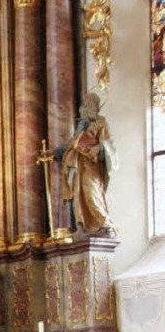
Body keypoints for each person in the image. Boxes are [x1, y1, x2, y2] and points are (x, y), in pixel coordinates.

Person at [59, 92, 117, 236]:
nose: (84, 107)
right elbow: (71, 144)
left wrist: (99, 148)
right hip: (78, 166)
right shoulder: (81, 125)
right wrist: (54, 153)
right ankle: (81, 226)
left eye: (88, 104)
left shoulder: (101, 122)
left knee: (92, 193)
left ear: (95, 106)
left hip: (92, 167)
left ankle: (105, 224)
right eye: (84, 105)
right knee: (78, 196)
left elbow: (109, 144)